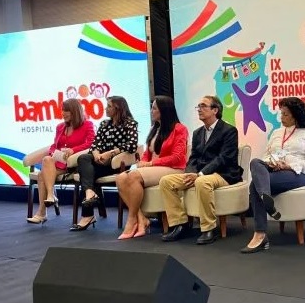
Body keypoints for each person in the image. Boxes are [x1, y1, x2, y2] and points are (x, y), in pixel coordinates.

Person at [158, 95, 243, 245]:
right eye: (198, 106)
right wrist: (190, 173)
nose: (199, 109)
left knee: (202, 182)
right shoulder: (198, 133)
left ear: (215, 110)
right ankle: (180, 224)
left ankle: (209, 228)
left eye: (203, 106)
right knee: (166, 181)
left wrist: (200, 174)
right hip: (199, 173)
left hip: (223, 173)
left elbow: (223, 158)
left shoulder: (229, 130)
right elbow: (193, 158)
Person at [241, 97, 305, 254]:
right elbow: (266, 155)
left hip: (297, 174)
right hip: (275, 171)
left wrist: (288, 166)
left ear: (295, 116)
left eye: (285, 114)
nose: (281, 117)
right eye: (281, 113)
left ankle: (260, 234)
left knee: (254, 185)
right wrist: (272, 163)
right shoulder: (276, 133)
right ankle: (266, 199)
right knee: (256, 162)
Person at [115, 95, 188, 240]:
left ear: (164, 110)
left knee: (133, 176)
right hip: (153, 168)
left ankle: (131, 219)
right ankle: (141, 218)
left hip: (173, 168)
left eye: (154, 108)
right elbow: (147, 154)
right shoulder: (154, 129)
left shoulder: (180, 129)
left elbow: (178, 157)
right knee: (120, 178)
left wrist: (150, 164)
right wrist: (142, 162)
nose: (151, 111)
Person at [72, 95, 139, 231]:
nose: (105, 109)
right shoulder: (104, 124)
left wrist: (111, 153)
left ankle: (87, 216)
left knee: (87, 175)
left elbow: (132, 145)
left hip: (117, 164)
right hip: (101, 161)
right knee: (83, 159)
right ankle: (90, 193)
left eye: (109, 106)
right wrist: (97, 154)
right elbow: (95, 144)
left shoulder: (130, 123)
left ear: (118, 108)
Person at [27, 98, 95, 224]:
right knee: (47, 159)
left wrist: (73, 150)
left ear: (75, 111)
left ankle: (42, 212)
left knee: (42, 175)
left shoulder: (87, 125)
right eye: (62, 110)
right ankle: (50, 196)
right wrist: (54, 153)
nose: (63, 113)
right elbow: (54, 146)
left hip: (75, 164)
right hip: (59, 163)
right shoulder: (60, 127)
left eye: (66, 110)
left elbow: (91, 143)